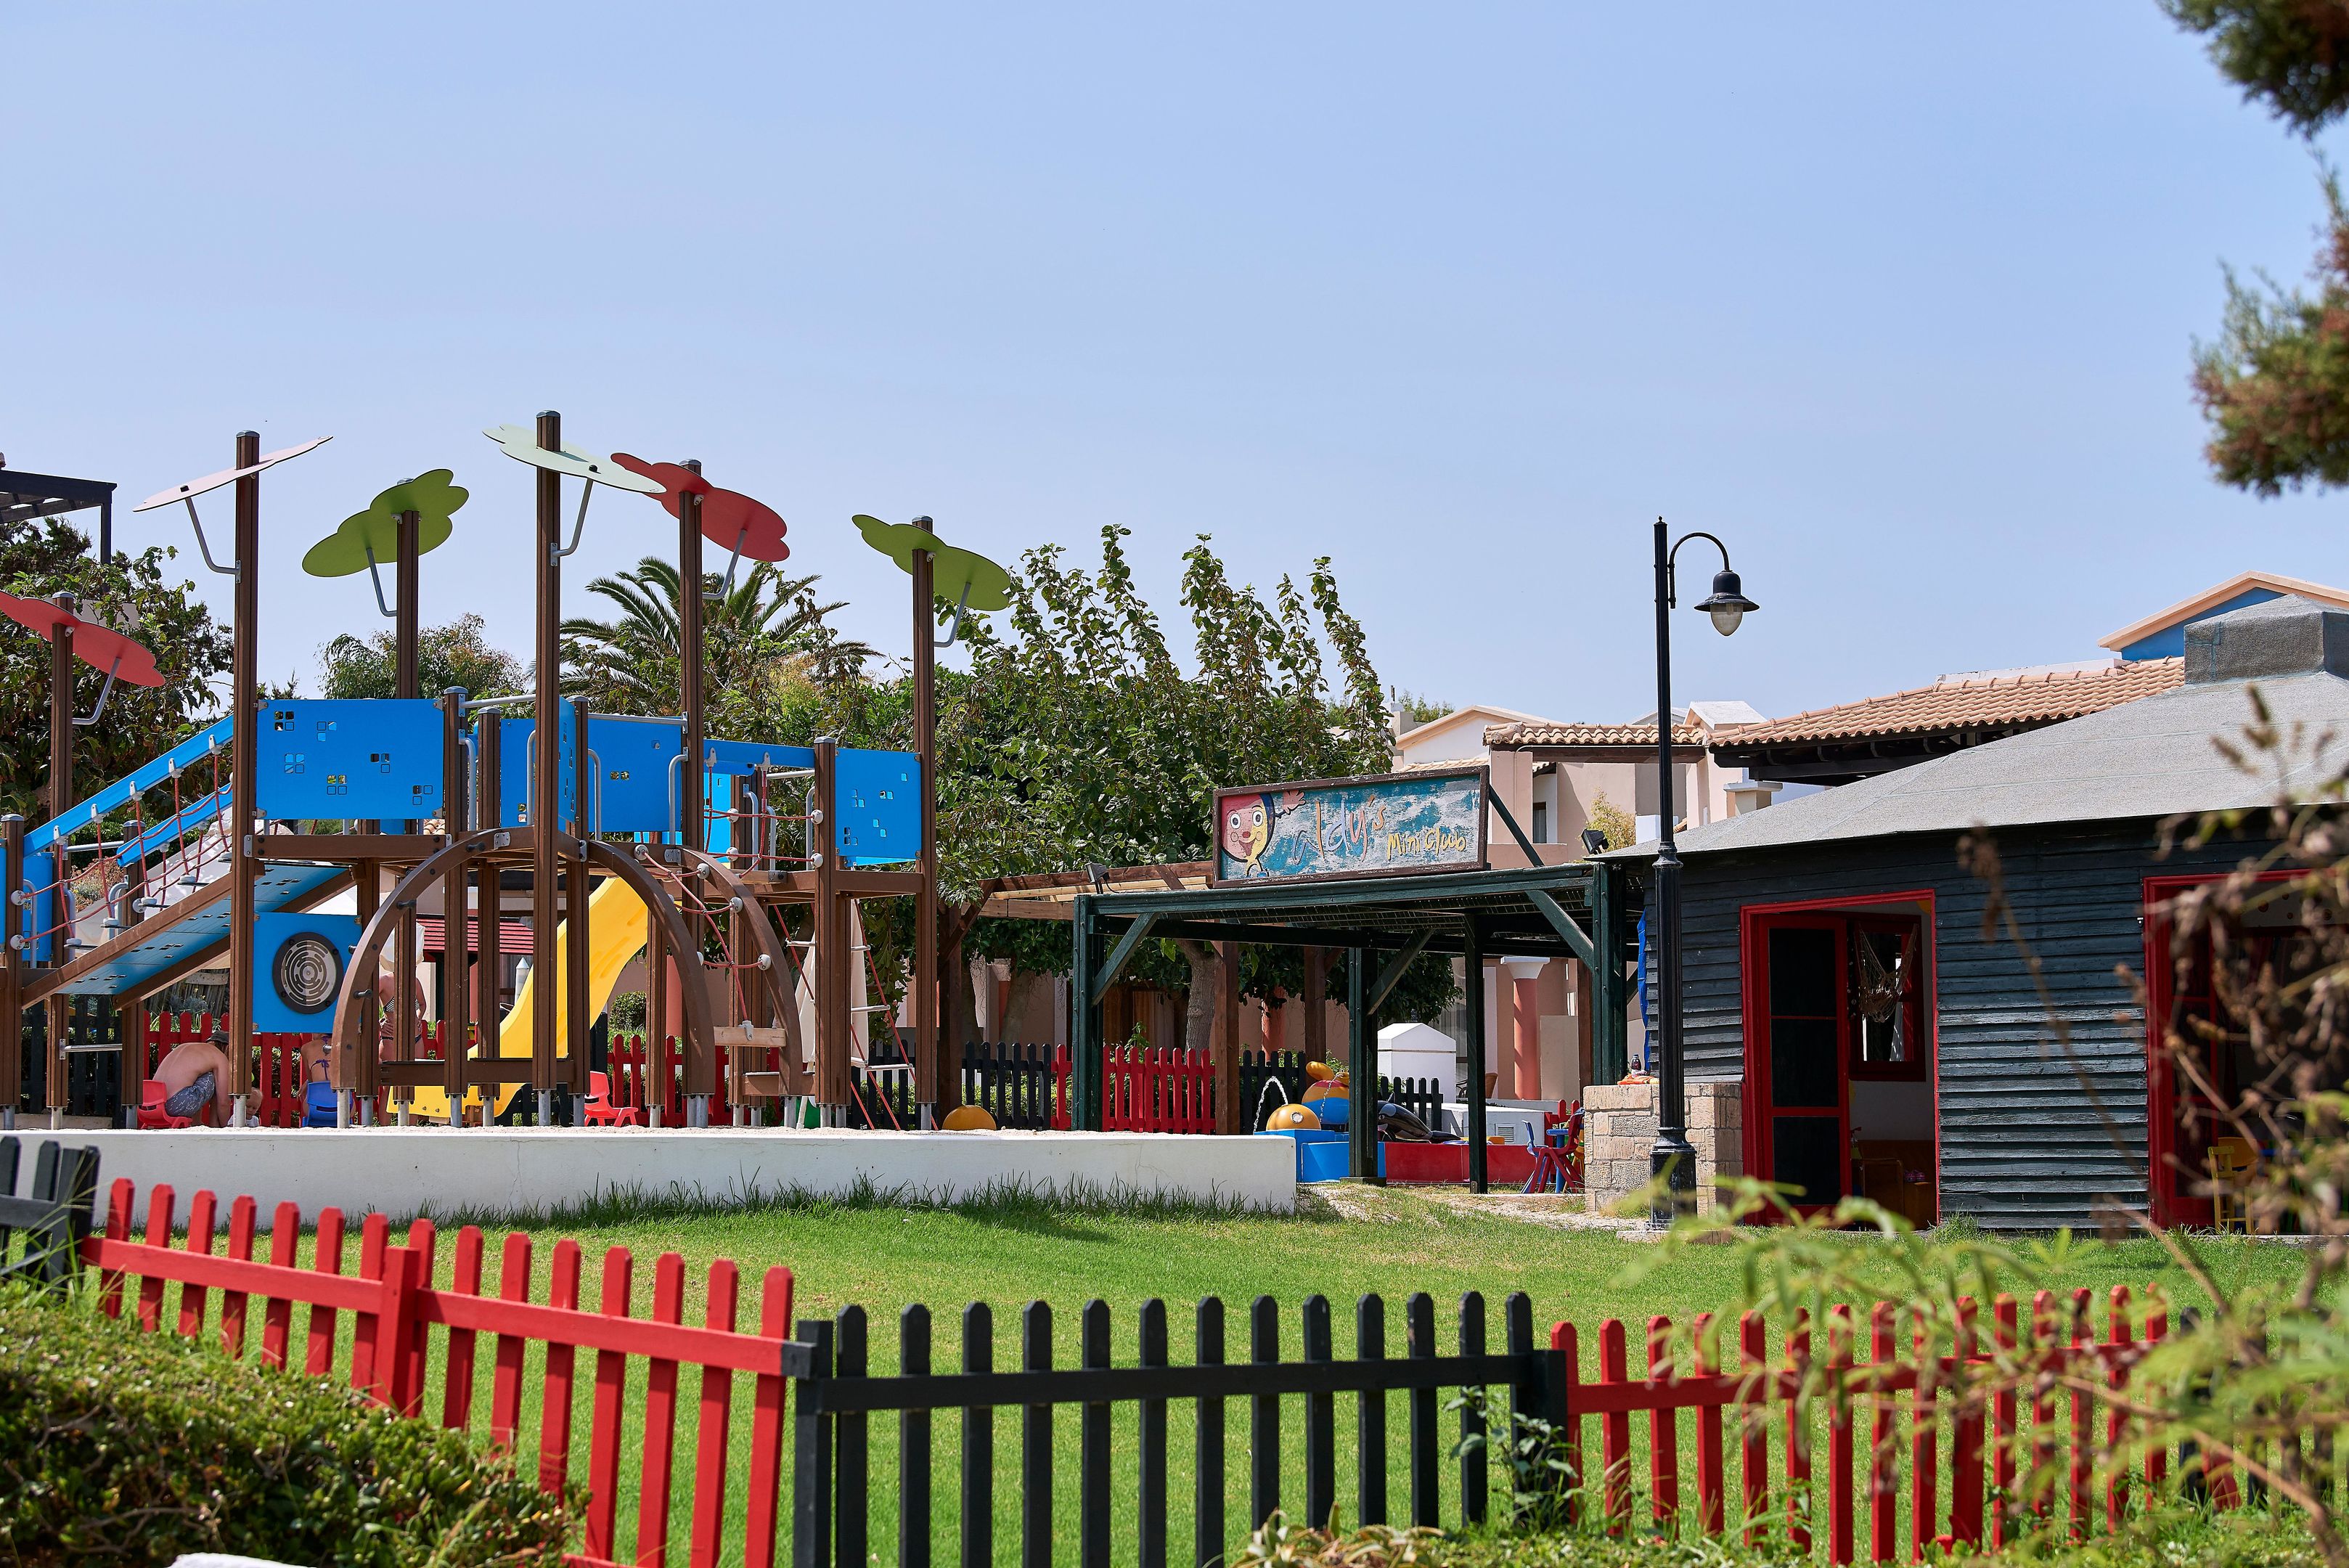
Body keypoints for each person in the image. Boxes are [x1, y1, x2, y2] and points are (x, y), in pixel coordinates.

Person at [153, 1032, 234, 1124]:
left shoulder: (186, 1047)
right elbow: (224, 1102)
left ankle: (197, 1123)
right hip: (175, 1105)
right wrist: (226, 1127)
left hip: (152, 1104)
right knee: (215, 1079)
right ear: (228, 1048)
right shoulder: (219, 1056)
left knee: (195, 1080)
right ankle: (214, 1126)